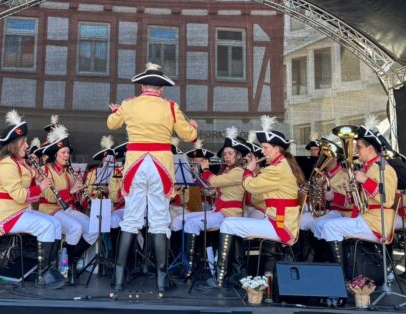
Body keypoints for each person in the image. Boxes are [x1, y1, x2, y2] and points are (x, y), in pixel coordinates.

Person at [107, 63, 199, 295]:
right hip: (160, 166)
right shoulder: (170, 106)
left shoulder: (129, 104)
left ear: (142, 86)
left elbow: (111, 124)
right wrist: (194, 127)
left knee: (130, 220)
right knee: (159, 221)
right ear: (161, 88)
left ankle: (118, 278)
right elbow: (189, 135)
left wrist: (117, 111)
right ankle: (161, 280)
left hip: (135, 165)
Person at [210, 116, 301, 289]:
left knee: (228, 224)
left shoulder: (276, 169)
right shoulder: (280, 166)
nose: (263, 151)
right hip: (278, 221)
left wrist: (249, 169)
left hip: (280, 226)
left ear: (277, 149)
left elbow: (249, 186)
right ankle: (234, 273)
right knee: (232, 223)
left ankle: (221, 278)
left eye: (266, 148)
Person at [0, 110, 65, 288]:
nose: (27, 146)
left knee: (56, 223)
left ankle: (50, 268)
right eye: (23, 143)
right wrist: (40, 186)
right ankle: (42, 275)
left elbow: (25, 184)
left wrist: (36, 176)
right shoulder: (7, 164)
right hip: (4, 216)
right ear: (14, 145)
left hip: (17, 210)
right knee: (46, 225)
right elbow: (20, 195)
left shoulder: (18, 162)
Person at [313, 126, 398, 279]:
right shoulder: (367, 168)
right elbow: (357, 202)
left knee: (329, 227)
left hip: (377, 223)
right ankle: (340, 273)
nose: (356, 151)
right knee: (322, 225)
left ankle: (341, 278)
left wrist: (365, 180)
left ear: (370, 148)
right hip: (365, 218)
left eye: (359, 147)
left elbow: (387, 200)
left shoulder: (384, 169)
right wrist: (351, 192)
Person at [178, 127, 248, 277]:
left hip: (228, 214)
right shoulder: (228, 171)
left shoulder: (239, 172)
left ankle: (189, 268)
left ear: (238, 156)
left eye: (230, 153)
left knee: (191, 224)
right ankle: (185, 260)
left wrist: (205, 170)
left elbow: (214, 181)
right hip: (218, 211)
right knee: (180, 219)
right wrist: (198, 185)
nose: (226, 157)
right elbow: (213, 190)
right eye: (225, 154)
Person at [38, 122, 97, 284]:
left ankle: (70, 259)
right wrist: (70, 190)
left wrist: (79, 191)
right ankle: (66, 265)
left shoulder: (69, 172)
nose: (66, 155)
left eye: (68, 152)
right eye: (63, 152)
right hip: (49, 209)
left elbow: (73, 200)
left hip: (66, 209)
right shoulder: (46, 170)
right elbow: (49, 196)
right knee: (75, 228)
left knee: (93, 228)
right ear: (55, 154)